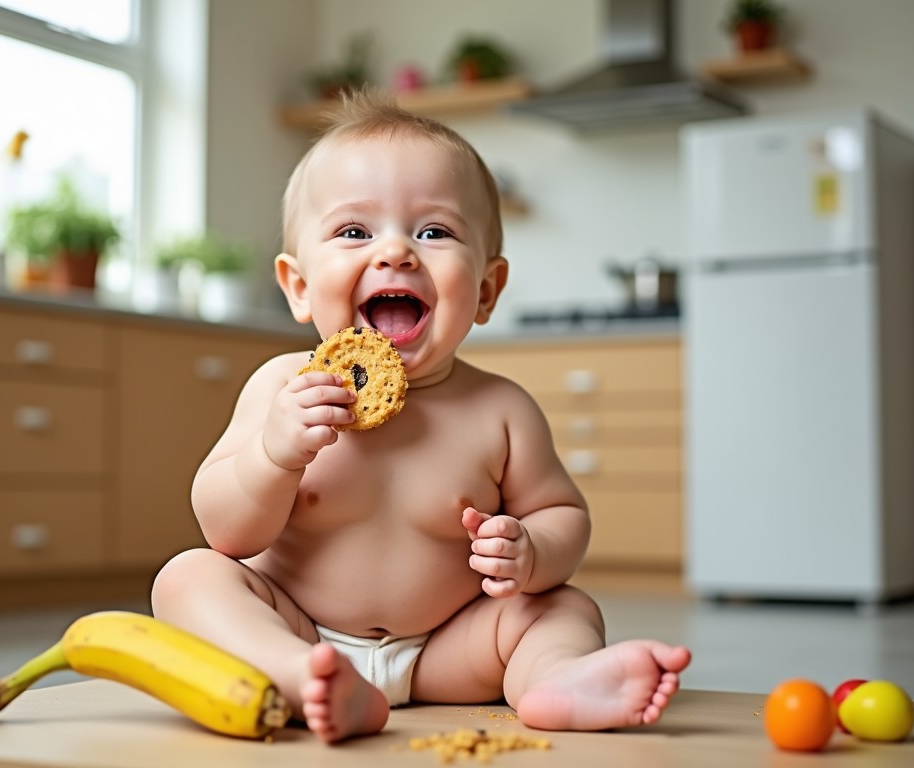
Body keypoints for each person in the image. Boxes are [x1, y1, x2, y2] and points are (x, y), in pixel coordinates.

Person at [151, 91, 691, 744]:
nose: (396, 253)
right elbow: (226, 532)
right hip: (299, 625)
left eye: (433, 232)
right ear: (297, 285)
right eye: (355, 232)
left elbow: (563, 517)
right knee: (187, 578)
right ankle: (301, 676)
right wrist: (273, 455)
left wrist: (531, 550)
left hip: (451, 648)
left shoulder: (501, 411)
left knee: (564, 607)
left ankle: (555, 678)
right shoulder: (279, 390)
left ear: (487, 289)